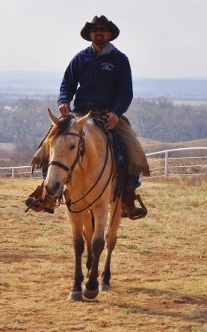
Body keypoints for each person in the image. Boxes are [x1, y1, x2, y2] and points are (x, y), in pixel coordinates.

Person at [25, 15, 150, 219]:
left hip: (109, 114)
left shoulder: (120, 60)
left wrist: (117, 113)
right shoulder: (80, 58)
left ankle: (128, 197)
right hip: (80, 113)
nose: (98, 33)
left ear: (109, 34)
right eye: (95, 30)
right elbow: (67, 85)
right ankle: (47, 194)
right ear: (90, 34)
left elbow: (126, 92)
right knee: (49, 144)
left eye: (102, 30)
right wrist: (63, 101)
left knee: (133, 150)